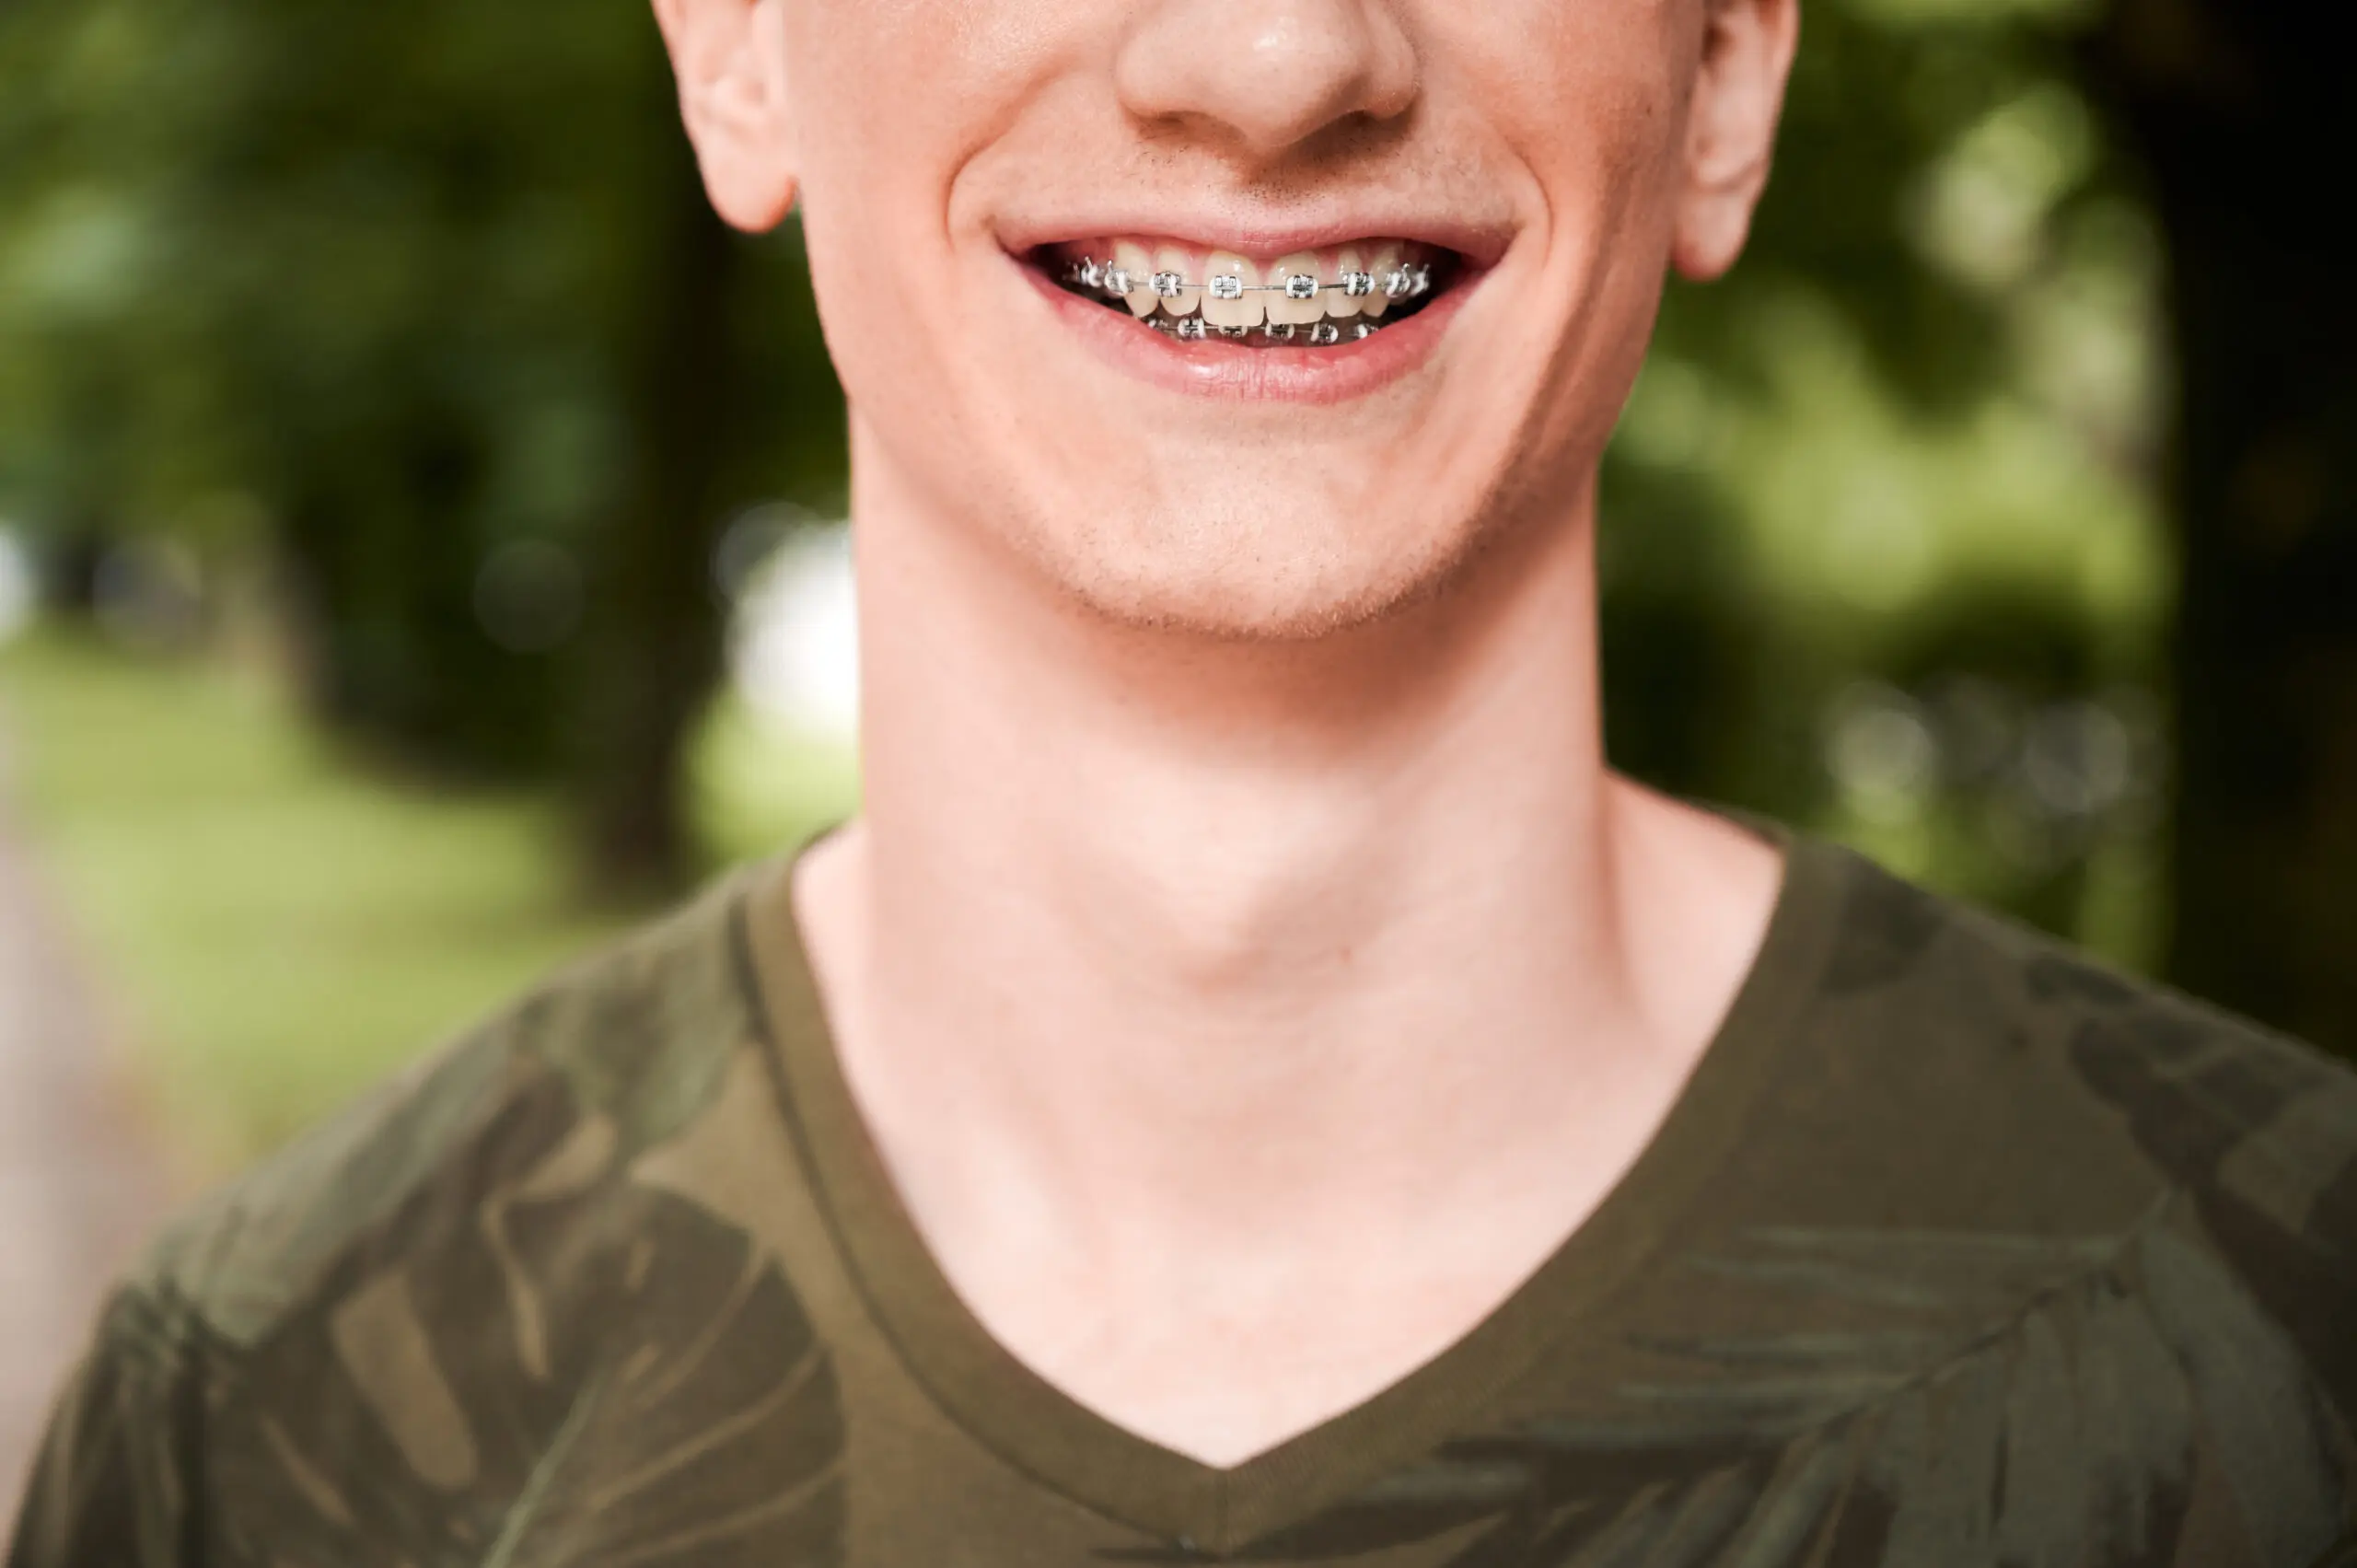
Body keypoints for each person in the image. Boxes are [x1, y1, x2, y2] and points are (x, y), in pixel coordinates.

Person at [12, 0, 2357, 1561]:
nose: (1270, 55)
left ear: (1728, 64)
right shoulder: (260, 1420)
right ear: (734, 42)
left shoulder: (2296, 1350)